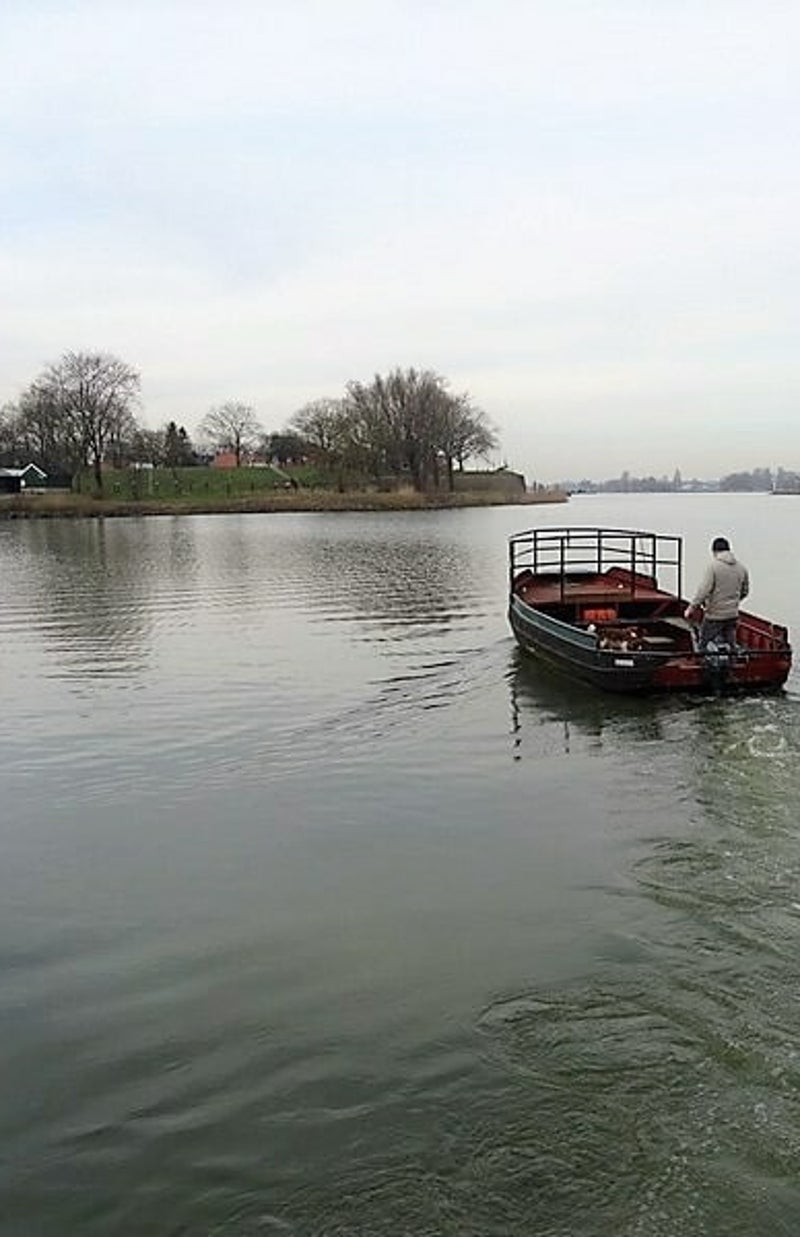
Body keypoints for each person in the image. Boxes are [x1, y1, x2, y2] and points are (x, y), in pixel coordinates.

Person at [684, 536, 749, 649]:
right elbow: (745, 591)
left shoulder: (713, 567)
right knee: (731, 645)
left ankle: (704, 662)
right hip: (732, 615)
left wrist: (691, 608)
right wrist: (733, 602)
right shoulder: (741, 568)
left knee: (703, 644)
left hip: (715, 616)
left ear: (715, 551)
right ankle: (731, 663)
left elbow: (703, 591)